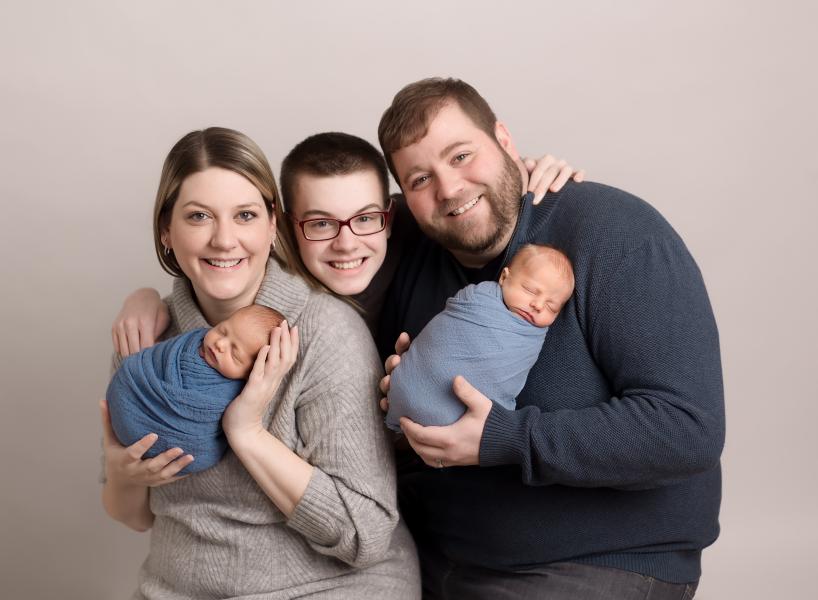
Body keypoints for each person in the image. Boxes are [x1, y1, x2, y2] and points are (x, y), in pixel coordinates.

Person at [375, 77, 724, 599]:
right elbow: (291, 219)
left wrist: (502, 439)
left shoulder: (614, 234)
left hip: (594, 563)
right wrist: (400, 410)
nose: (449, 189)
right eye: (420, 178)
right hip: (432, 557)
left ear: (505, 141)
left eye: (462, 155)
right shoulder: (404, 245)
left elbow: (685, 429)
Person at [100, 127, 421, 599]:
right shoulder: (145, 338)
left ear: (272, 226)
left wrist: (246, 432)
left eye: (245, 215)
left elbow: (366, 533)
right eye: (198, 216)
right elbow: (135, 516)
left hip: (325, 588)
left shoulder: (323, 332)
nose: (224, 240)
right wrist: (124, 476)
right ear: (166, 231)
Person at [111, 132, 583, 348]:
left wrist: (529, 173)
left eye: (363, 219)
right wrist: (148, 297)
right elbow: (216, 250)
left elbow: (467, 200)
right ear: (285, 226)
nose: (346, 243)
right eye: (319, 224)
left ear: (390, 213)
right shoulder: (271, 273)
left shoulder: (410, 230)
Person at [386, 244, 574, 431]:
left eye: (552, 307)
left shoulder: (533, 338)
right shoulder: (477, 299)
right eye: (530, 290)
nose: (539, 305)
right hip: (406, 388)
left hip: (466, 429)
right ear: (504, 277)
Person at [107, 305, 283, 475]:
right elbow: (147, 362)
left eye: (235, 353)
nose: (221, 344)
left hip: (182, 445)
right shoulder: (189, 341)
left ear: (251, 373)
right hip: (129, 399)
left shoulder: (233, 392)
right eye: (222, 330)